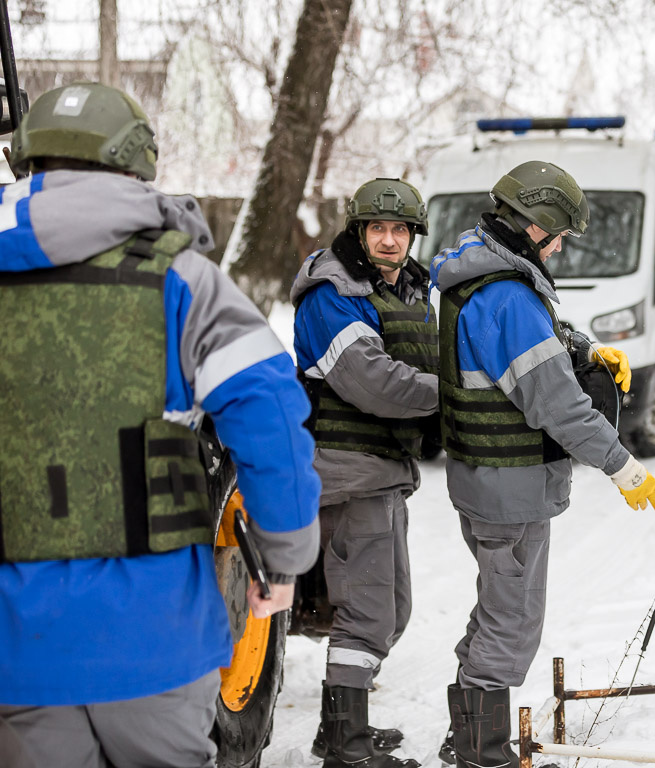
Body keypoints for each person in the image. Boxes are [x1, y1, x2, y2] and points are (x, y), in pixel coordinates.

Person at [0, 83, 321, 768]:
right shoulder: (184, 284)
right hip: (152, 634)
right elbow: (269, 415)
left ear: (25, 163)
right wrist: (284, 556)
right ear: (135, 166)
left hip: (9, 638)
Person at [430, 160, 655, 768]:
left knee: (497, 608)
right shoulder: (506, 294)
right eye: (558, 233)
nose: (561, 245)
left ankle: (466, 736)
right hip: (509, 489)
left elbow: (544, 332)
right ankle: (482, 754)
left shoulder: (483, 269)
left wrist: (586, 348)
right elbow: (557, 405)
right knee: (512, 622)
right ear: (532, 224)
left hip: (488, 482)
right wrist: (622, 467)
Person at [291, 178, 438, 768]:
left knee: (390, 609)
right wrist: (453, 397)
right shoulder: (334, 293)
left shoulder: (402, 289)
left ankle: (338, 731)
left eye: (400, 230)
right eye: (377, 228)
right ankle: (347, 751)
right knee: (367, 612)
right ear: (358, 232)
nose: (389, 240)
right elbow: (371, 380)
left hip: (383, 469)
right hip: (347, 470)